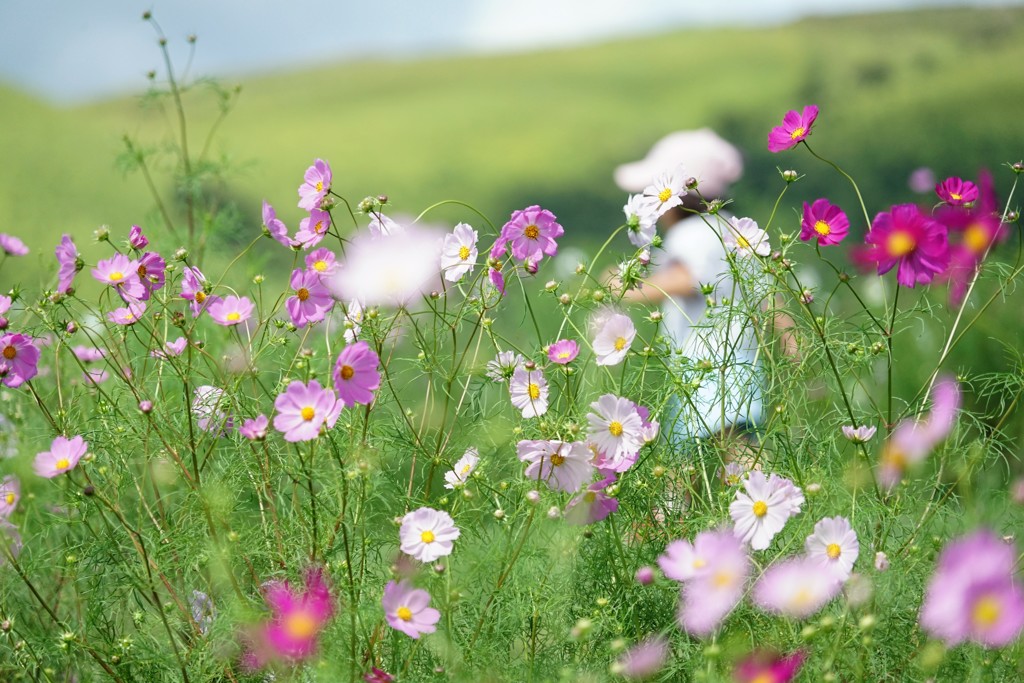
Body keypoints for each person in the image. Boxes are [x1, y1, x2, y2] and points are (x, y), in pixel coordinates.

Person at [613, 129, 793, 451]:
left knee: (687, 477)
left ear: (673, 198)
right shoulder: (736, 231)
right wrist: (794, 346)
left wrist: (626, 288)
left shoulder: (692, 232)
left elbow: (687, 279)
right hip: (744, 374)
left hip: (704, 375)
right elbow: (770, 299)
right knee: (741, 461)